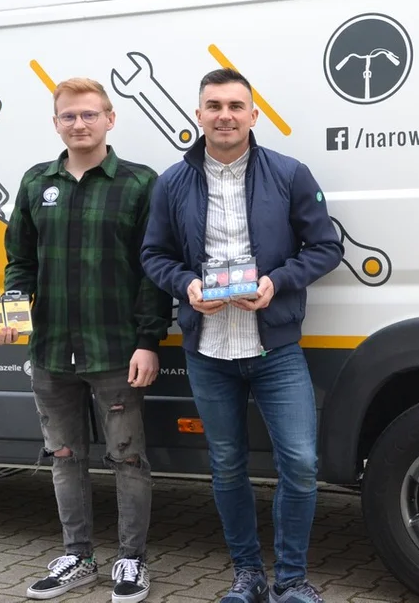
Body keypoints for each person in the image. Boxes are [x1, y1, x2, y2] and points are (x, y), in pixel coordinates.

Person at [139, 68, 343, 603]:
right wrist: (186, 285)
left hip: (275, 348)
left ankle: (291, 580)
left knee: (300, 463)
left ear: (253, 115)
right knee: (227, 465)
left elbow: (326, 247)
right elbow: (153, 254)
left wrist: (278, 282)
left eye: (235, 106)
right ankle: (248, 576)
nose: (224, 116)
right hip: (208, 350)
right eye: (214, 106)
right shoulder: (173, 182)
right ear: (198, 115)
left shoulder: (289, 174)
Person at [0, 77, 173, 603]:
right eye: (69, 116)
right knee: (65, 455)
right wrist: (13, 308)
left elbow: (153, 269)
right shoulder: (36, 182)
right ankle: (78, 557)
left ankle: (131, 560)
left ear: (110, 119)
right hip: (50, 349)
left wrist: (148, 340)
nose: (79, 124)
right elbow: (20, 260)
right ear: (56, 123)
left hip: (116, 349)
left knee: (127, 457)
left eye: (90, 114)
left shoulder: (139, 183)